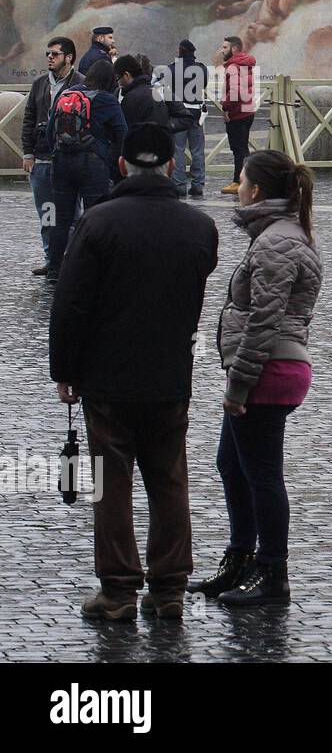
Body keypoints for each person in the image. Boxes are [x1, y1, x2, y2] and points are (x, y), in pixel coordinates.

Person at [49, 123, 220, 621]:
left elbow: (71, 302)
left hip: (108, 378)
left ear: (122, 164)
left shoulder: (98, 223)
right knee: (169, 481)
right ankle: (169, 589)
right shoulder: (199, 227)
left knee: (111, 482)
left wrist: (65, 369)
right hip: (170, 375)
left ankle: (119, 590)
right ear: (172, 164)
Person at [191, 150, 322, 606]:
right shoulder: (274, 235)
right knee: (232, 464)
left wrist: (239, 386)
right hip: (266, 368)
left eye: (240, 179)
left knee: (262, 474)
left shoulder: (275, 244)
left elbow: (263, 323)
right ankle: (240, 560)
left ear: (258, 191)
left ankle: (272, 573)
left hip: (269, 372)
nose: (236, 187)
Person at [45, 59, 128, 281]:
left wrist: (58, 153)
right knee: (96, 217)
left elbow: (50, 130)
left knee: (60, 219)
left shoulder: (66, 95)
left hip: (62, 162)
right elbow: (123, 134)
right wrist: (110, 162)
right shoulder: (107, 100)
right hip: (92, 163)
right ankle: (94, 267)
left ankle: (54, 268)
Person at [21, 36, 83, 275]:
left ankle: (73, 258)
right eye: (48, 53)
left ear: (68, 58)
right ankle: (51, 258)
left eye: (55, 54)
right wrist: (28, 152)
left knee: (73, 214)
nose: (49, 57)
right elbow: (28, 119)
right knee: (47, 212)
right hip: (42, 159)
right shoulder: (39, 84)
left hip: (69, 159)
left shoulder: (80, 83)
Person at [168, 39, 209, 198]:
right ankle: (198, 184)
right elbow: (204, 85)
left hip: (178, 113)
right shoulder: (201, 69)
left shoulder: (172, 68)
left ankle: (179, 185)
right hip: (197, 113)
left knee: (178, 149)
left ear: (180, 50)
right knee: (198, 150)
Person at [218, 36, 257, 195]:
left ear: (234, 49)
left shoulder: (233, 66)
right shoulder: (245, 64)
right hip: (248, 111)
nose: (222, 50)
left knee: (238, 149)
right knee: (243, 148)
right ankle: (247, 179)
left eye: (225, 47)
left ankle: (239, 182)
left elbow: (234, 93)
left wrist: (225, 108)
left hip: (238, 113)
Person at [114, 54, 168, 129]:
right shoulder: (155, 93)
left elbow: (124, 128)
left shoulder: (131, 97)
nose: (118, 82)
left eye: (118, 77)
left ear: (127, 75)